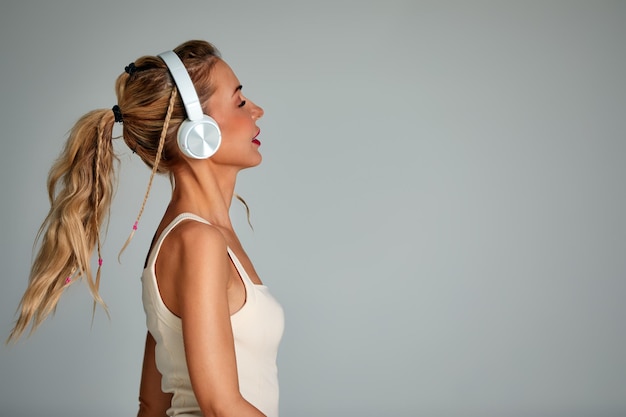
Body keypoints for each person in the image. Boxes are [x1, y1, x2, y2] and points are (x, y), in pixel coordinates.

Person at [7, 40, 284, 417]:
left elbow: (151, 405)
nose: (258, 111)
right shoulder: (197, 240)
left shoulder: (189, 236)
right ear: (199, 132)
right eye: (239, 102)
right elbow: (221, 406)